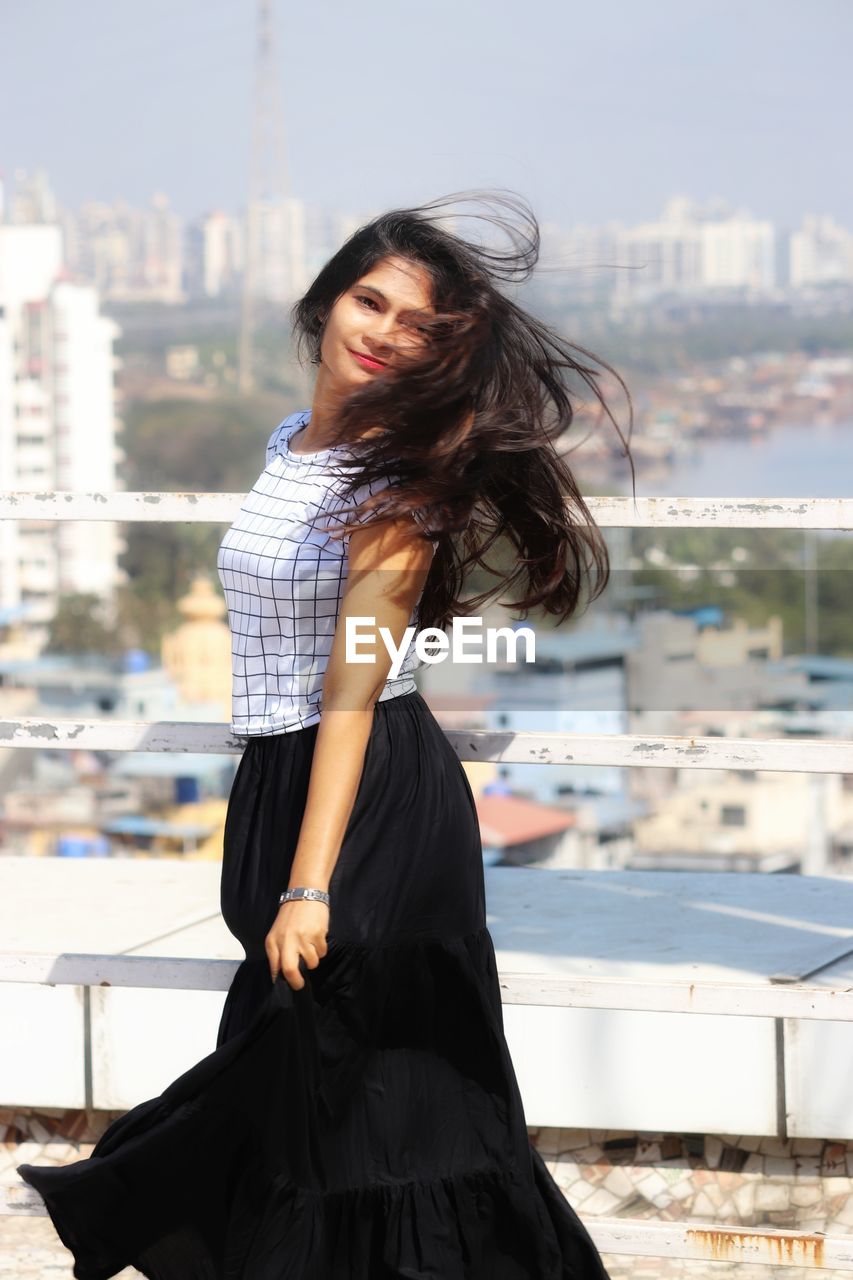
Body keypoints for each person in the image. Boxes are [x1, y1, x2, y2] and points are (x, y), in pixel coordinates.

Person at [17, 190, 634, 1278]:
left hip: (367, 807)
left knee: (380, 1116)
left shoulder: (399, 487)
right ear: (325, 300)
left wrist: (311, 887)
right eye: (370, 299)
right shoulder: (289, 444)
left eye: (419, 327)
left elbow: (350, 695)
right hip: (279, 782)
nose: (385, 333)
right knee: (306, 1104)